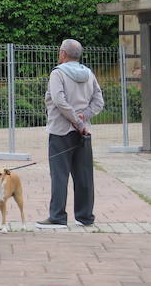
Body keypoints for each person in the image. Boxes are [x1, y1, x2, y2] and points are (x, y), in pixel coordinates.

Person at [36, 38, 104, 229]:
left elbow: (59, 100)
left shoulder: (58, 73)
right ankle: (85, 216)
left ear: (63, 54)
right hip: (83, 132)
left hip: (60, 131)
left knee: (59, 175)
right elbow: (99, 101)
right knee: (84, 175)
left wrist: (75, 119)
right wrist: (83, 119)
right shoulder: (89, 74)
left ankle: (57, 216)